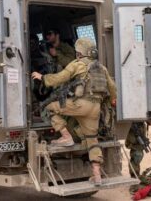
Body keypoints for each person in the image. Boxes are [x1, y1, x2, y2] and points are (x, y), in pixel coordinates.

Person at [31, 37, 116, 185]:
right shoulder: (102, 68)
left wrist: (42, 77)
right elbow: (112, 88)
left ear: (79, 53)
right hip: (95, 108)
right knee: (92, 139)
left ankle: (65, 136)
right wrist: (112, 101)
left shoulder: (77, 64)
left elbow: (60, 78)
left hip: (80, 105)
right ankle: (97, 175)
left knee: (48, 107)